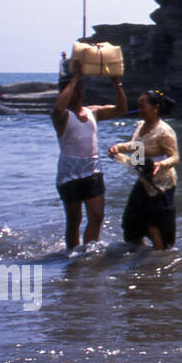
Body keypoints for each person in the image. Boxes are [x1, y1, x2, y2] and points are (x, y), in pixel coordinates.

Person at [52, 62, 127, 249]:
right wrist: (75, 78)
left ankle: (88, 253)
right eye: (74, 89)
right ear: (65, 92)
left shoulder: (92, 111)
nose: (78, 92)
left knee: (96, 216)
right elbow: (57, 109)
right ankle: (71, 256)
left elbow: (121, 109)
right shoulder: (62, 117)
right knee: (74, 220)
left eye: (80, 88)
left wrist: (116, 84)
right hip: (69, 173)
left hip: (92, 170)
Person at [108, 90, 179, 250]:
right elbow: (136, 148)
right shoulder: (141, 126)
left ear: (155, 108)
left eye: (142, 107)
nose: (139, 110)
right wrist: (117, 147)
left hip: (162, 184)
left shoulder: (164, 132)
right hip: (144, 179)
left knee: (153, 224)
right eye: (138, 107)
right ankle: (141, 254)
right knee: (130, 221)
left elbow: (175, 158)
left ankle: (160, 259)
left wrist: (162, 164)